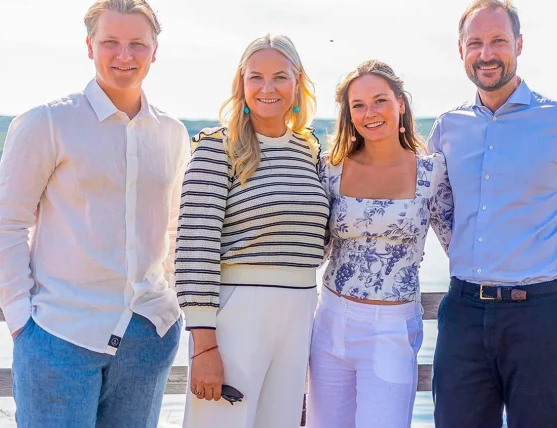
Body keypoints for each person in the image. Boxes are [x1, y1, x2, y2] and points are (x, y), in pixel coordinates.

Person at [428, 1, 557, 427]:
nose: (486, 54)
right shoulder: (447, 129)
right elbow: (433, 212)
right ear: (460, 50)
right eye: (475, 43)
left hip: (540, 318)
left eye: (498, 41)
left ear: (518, 45)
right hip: (462, 313)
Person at [0, 1, 189, 426]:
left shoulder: (173, 133)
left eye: (137, 44)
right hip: (58, 334)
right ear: (89, 47)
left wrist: (172, 303)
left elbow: (177, 227)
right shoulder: (46, 123)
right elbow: (8, 222)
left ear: (155, 51)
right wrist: (21, 323)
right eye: (111, 42)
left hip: (148, 335)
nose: (124, 55)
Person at [174, 34, 329, 428]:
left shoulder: (310, 151)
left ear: (297, 84)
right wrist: (203, 346)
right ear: (241, 85)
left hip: (299, 315)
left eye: (279, 77)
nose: (267, 88)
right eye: (255, 77)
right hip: (236, 317)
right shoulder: (215, 148)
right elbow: (195, 247)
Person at [306, 60, 453, 428]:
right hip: (329, 322)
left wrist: (540, 255)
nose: (370, 113)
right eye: (358, 105)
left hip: (391, 327)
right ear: (349, 114)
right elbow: (311, 248)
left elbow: (461, 246)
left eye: (380, 101)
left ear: (400, 104)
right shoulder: (331, 169)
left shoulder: (431, 172)